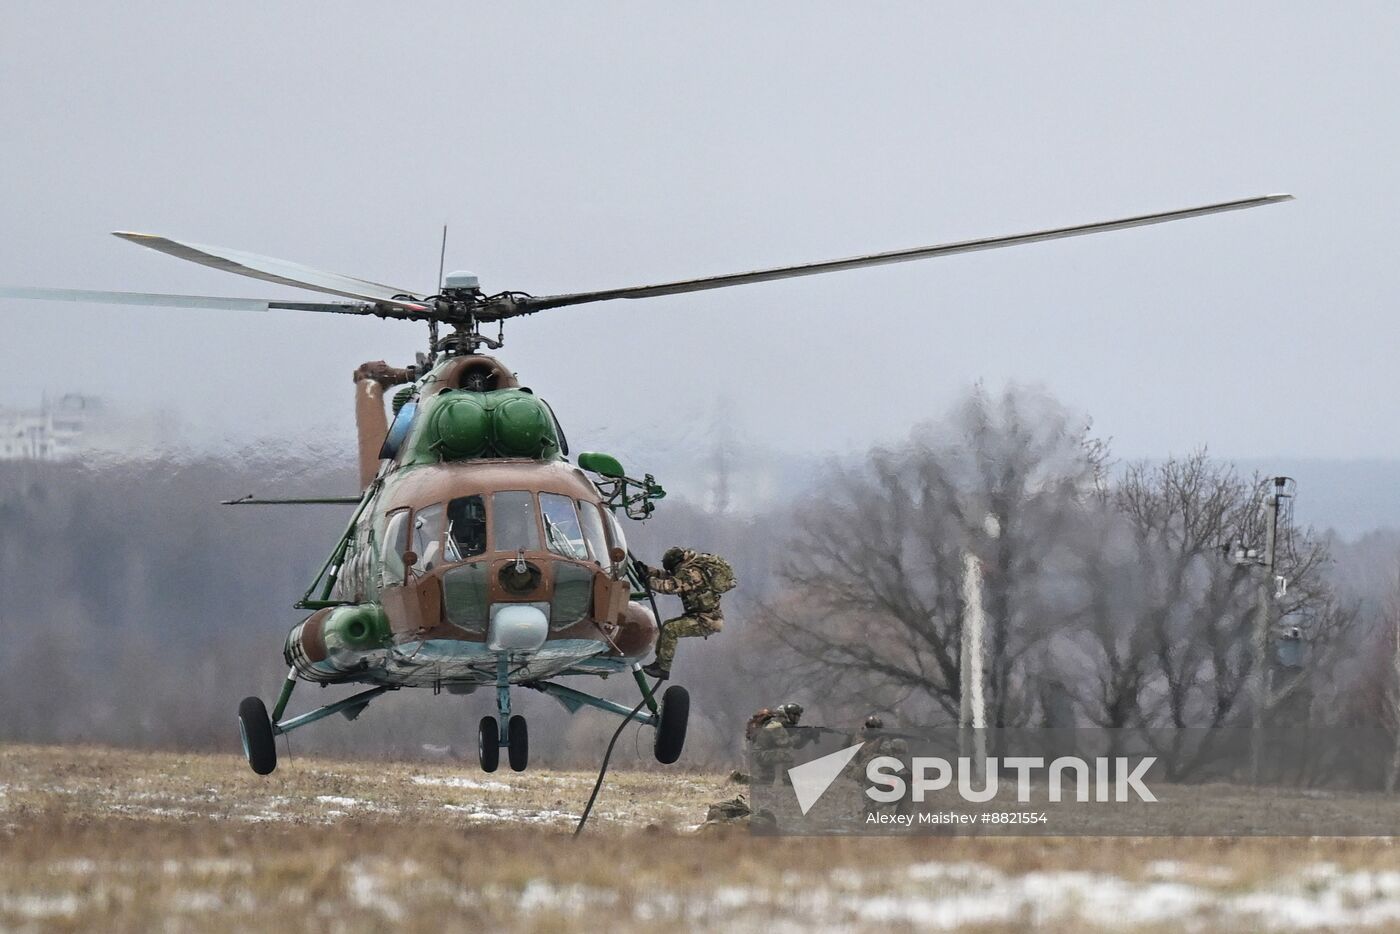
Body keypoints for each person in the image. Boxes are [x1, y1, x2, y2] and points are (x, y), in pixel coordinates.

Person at [639, 546, 736, 679]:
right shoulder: (691, 567)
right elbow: (672, 577)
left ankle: (663, 668)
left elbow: (669, 586)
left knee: (670, 630)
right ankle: (659, 663)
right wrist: (650, 571)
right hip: (700, 616)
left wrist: (647, 580)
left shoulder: (690, 573)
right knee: (667, 625)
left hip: (706, 621)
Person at [852, 714, 911, 818]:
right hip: (873, 790)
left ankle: (901, 817)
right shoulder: (865, 741)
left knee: (909, 787)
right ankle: (872, 811)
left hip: (874, 787)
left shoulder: (885, 753)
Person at [750, 703, 804, 784]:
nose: (798, 718)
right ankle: (785, 779)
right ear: (787, 715)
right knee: (786, 752)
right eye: (795, 715)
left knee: (782, 752)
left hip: (762, 753)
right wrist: (798, 737)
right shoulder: (776, 725)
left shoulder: (776, 723)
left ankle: (768, 776)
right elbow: (784, 742)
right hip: (760, 754)